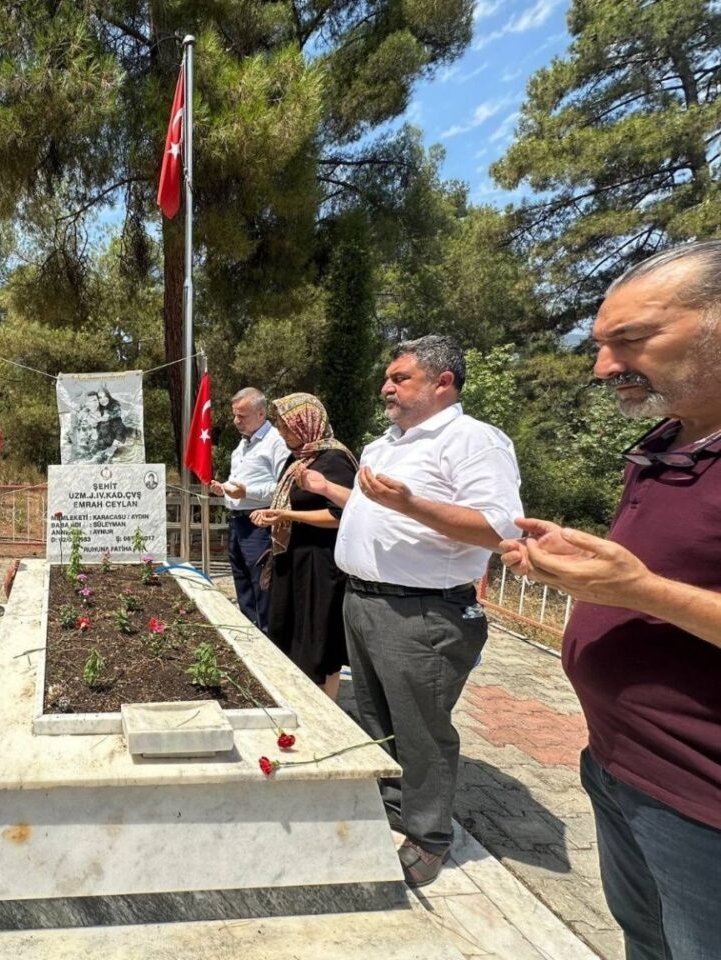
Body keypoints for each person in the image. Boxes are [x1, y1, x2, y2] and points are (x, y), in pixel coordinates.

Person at [500, 242, 721, 960]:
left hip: (701, 801)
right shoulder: (670, 441)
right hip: (622, 767)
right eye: (600, 346)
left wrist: (640, 591)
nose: (603, 368)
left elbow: (657, 587)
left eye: (630, 341)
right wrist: (580, 562)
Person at [300, 334, 522, 887]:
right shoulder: (385, 445)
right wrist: (333, 490)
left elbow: (500, 528)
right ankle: (394, 801)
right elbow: (372, 510)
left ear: (442, 381)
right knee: (376, 717)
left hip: (422, 612)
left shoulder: (474, 442)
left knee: (421, 728)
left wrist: (410, 503)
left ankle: (429, 835)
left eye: (400, 377)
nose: (386, 386)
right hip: (365, 601)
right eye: (388, 377)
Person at [251, 393, 357, 699]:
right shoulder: (298, 457)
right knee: (290, 629)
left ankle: (326, 704)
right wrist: (276, 515)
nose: (283, 434)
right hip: (292, 558)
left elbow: (341, 515)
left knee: (318, 636)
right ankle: (296, 695)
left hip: (320, 564)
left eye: (287, 427)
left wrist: (286, 515)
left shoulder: (333, 459)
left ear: (306, 422)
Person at [208, 388, 287, 631]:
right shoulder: (242, 445)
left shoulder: (277, 442)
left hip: (261, 523)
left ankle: (269, 642)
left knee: (262, 588)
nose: (235, 421)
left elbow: (284, 487)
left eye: (242, 416)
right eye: (235, 415)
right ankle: (251, 637)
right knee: (242, 584)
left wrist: (247, 492)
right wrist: (225, 491)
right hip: (238, 522)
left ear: (261, 413)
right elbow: (239, 486)